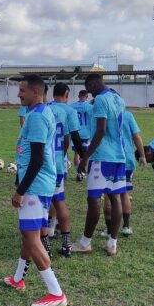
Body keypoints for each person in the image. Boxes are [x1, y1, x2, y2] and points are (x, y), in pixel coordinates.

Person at [2, 75, 67, 306]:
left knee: (31, 237)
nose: (19, 94)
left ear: (36, 93)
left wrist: (21, 190)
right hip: (40, 183)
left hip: (36, 185)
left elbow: (37, 158)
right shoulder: (38, 112)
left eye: (22, 90)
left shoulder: (38, 116)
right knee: (30, 234)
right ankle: (18, 279)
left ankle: (56, 292)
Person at [72, 74, 127, 257]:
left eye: (89, 88)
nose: (89, 93)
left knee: (94, 200)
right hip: (119, 155)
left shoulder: (101, 100)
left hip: (102, 156)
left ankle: (85, 242)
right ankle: (112, 243)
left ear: (95, 83)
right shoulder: (118, 98)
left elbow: (101, 130)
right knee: (115, 198)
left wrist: (86, 157)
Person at [45, 82, 85, 257]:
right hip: (58, 164)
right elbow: (74, 137)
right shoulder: (69, 111)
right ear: (67, 94)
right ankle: (66, 245)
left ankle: (45, 245)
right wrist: (83, 157)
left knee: (42, 204)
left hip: (42, 163)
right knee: (59, 201)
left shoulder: (44, 109)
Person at [117, 110, 146, 235]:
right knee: (124, 194)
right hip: (127, 159)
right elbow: (136, 136)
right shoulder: (127, 115)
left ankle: (109, 230)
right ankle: (126, 226)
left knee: (109, 196)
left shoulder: (104, 113)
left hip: (109, 159)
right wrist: (142, 155)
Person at [70, 90, 93, 181]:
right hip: (86, 133)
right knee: (86, 155)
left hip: (75, 133)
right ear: (87, 97)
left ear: (78, 96)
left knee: (76, 154)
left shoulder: (72, 106)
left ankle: (78, 172)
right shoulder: (90, 107)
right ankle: (82, 172)